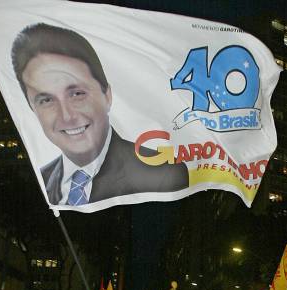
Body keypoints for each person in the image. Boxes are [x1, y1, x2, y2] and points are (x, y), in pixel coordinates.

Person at [11, 23, 188, 206]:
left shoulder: (162, 174)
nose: (66, 116)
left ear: (107, 95)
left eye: (77, 94)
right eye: (46, 100)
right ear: (32, 108)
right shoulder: (38, 184)